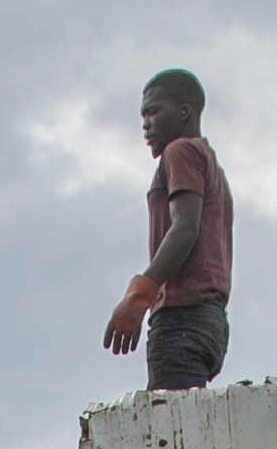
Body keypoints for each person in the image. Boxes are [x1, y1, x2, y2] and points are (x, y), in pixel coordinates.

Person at [100, 69, 237, 392]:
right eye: (142, 115)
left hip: (184, 320)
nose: (145, 123)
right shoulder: (210, 163)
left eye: (153, 111)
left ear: (185, 112)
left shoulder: (181, 151)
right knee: (185, 426)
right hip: (209, 321)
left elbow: (184, 228)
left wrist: (139, 296)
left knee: (172, 434)